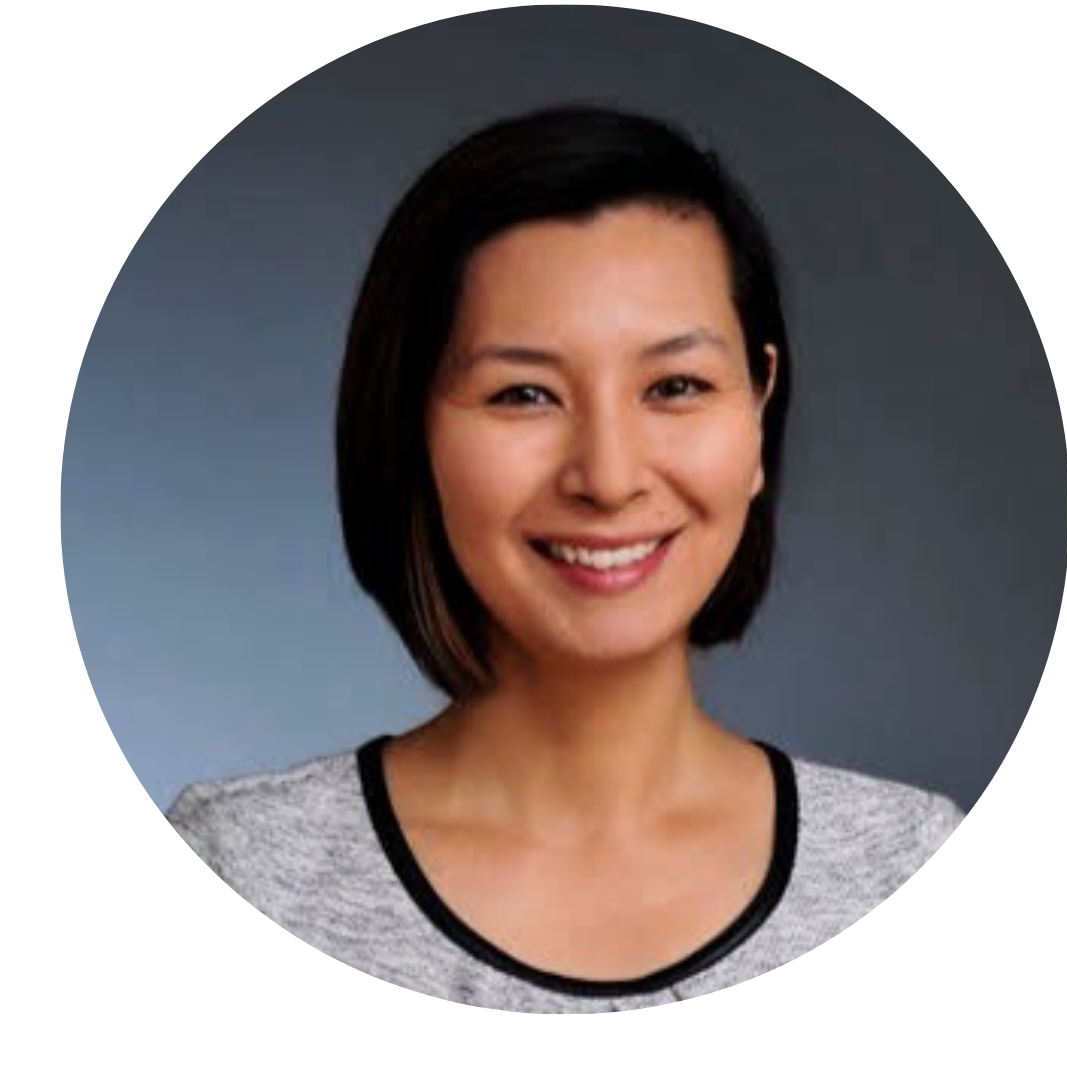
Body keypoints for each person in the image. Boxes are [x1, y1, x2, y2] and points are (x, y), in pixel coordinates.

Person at [168, 104, 965, 1013]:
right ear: (410, 430)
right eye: (524, 394)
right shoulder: (240, 882)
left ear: (759, 406)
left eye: (676, 385)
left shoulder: (906, 870)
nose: (609, 478)